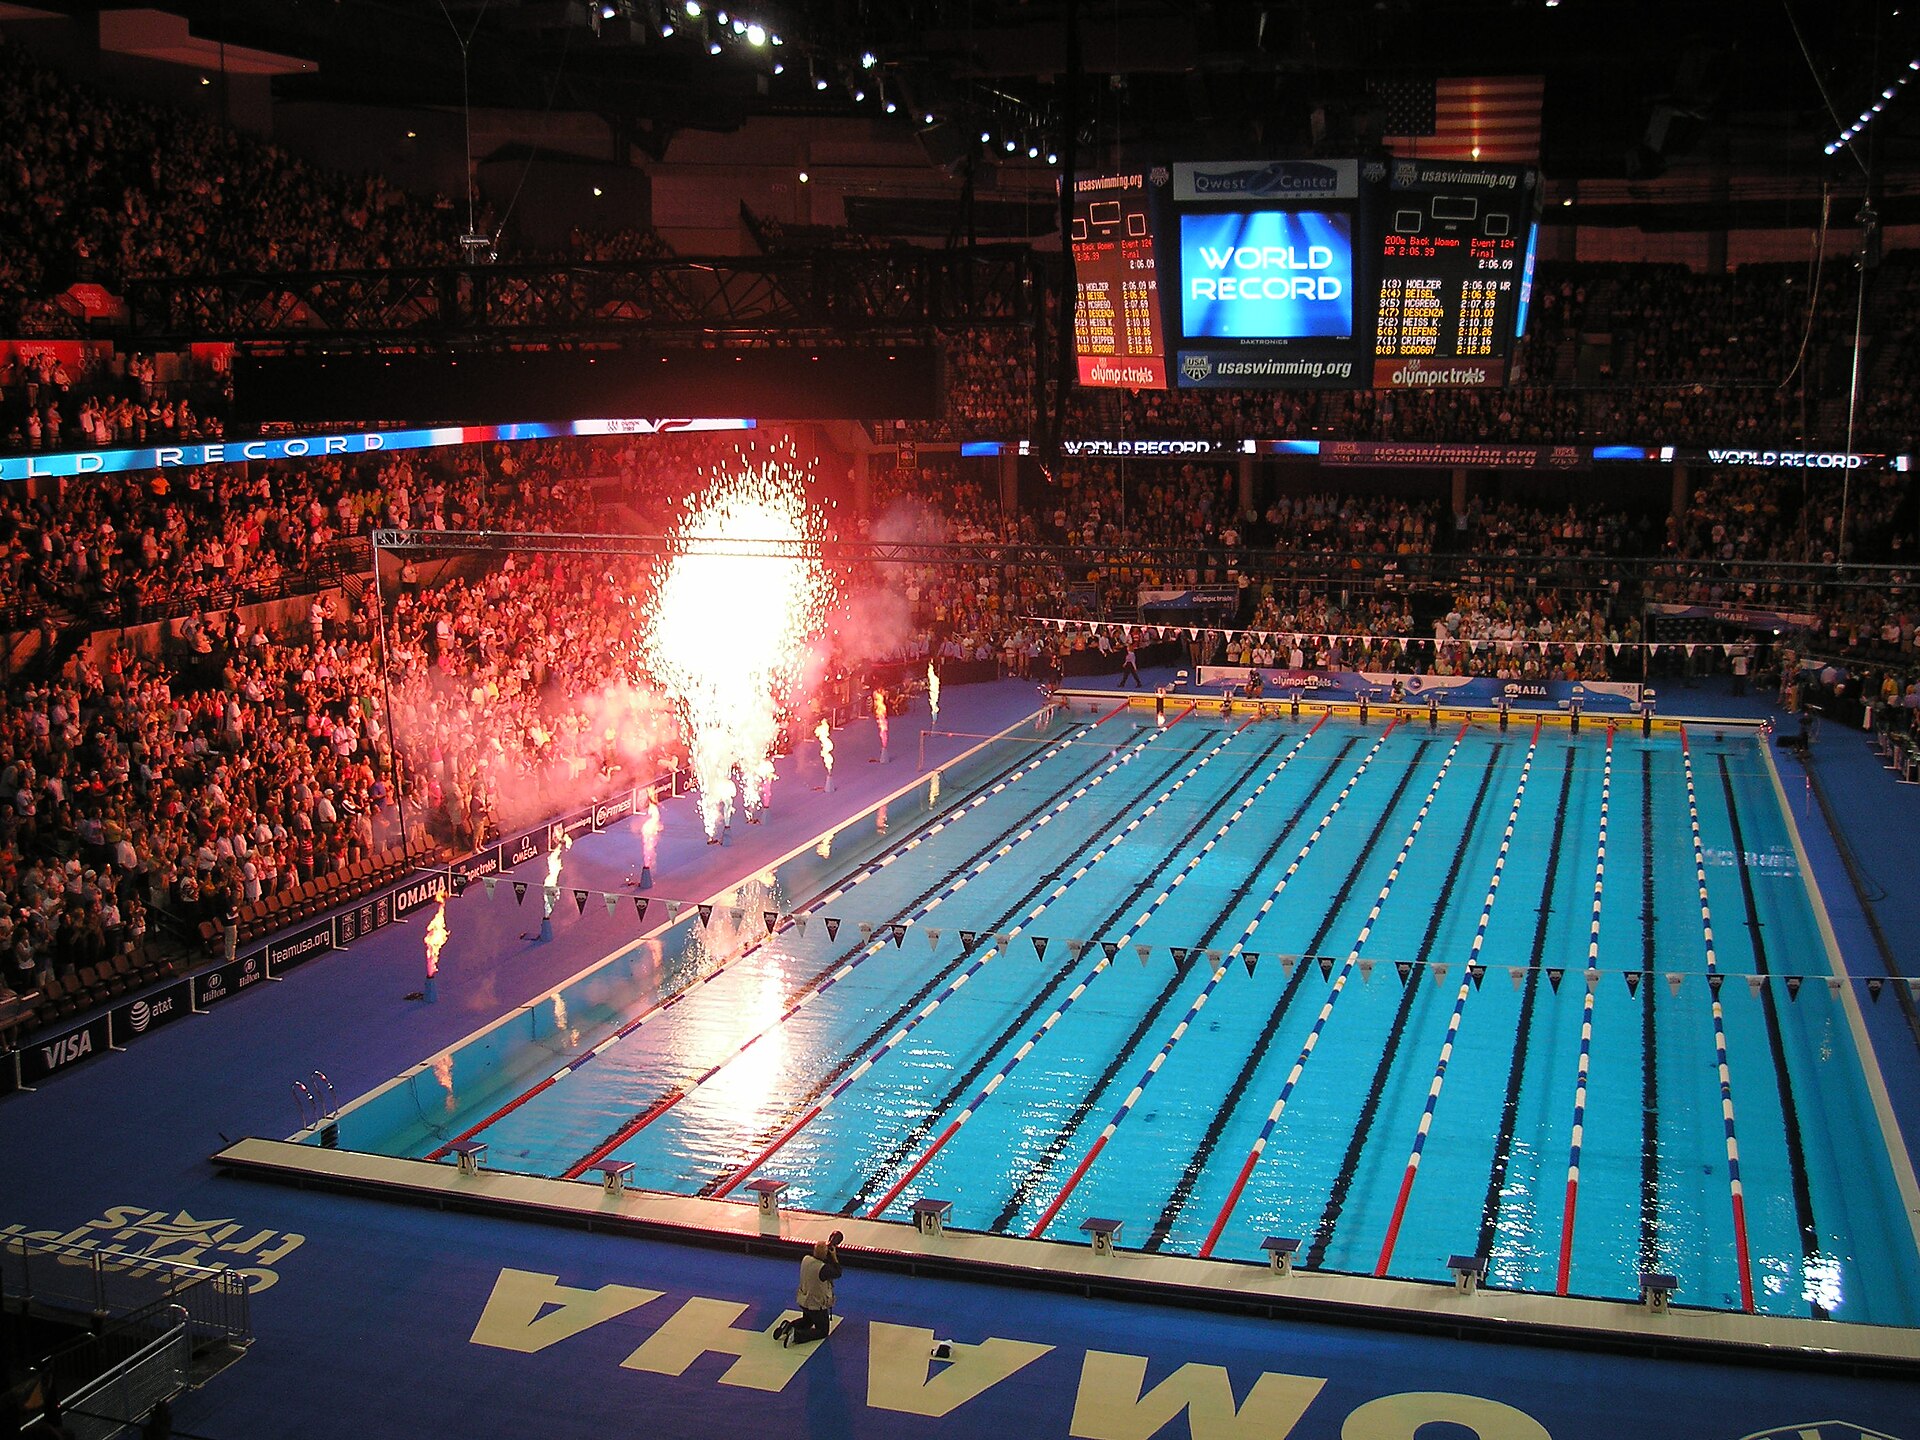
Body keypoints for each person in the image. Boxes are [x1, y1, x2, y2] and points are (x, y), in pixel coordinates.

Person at [775, 1231, 843, 1346]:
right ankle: (796, 1336)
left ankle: (788, 1326)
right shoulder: (823, 1269)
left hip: (804, 1301)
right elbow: (838, 1272)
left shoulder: (806, 1259)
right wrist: (834, 1256)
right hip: (816, 1305)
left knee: (807, 1321)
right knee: (822, 1331)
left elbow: (819, 1262)